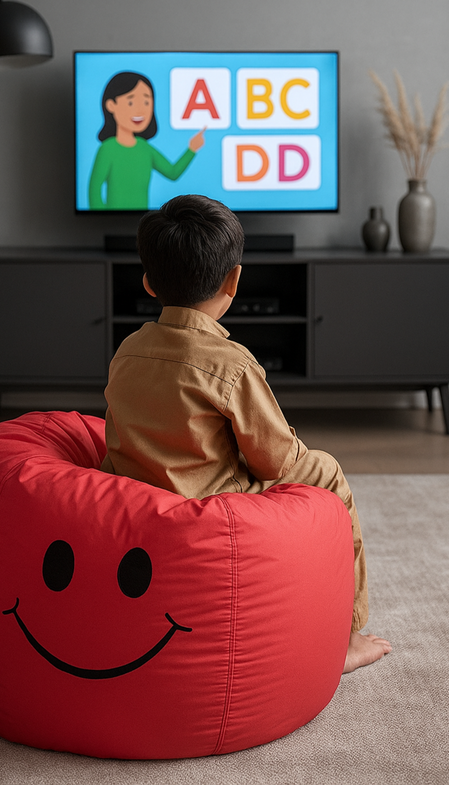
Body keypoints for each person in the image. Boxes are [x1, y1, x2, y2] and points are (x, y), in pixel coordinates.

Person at [101, 194, 392, 673]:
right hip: (211, 506)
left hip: (139, 499)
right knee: (326, 469)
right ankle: (349, 634)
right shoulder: (232, 365)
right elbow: (273, 461)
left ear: (148, 281)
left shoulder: (127, 350)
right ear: (233, 281)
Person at [88, 72, 205, 210]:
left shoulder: (145, 148)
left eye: (146, 102)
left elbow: (173, 173)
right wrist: (104, 216)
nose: (140, 110)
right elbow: (94, 189)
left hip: (145, 221)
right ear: (111, 105)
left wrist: (192, 149)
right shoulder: (107, 149)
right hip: (112, 220)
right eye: (131, 102)